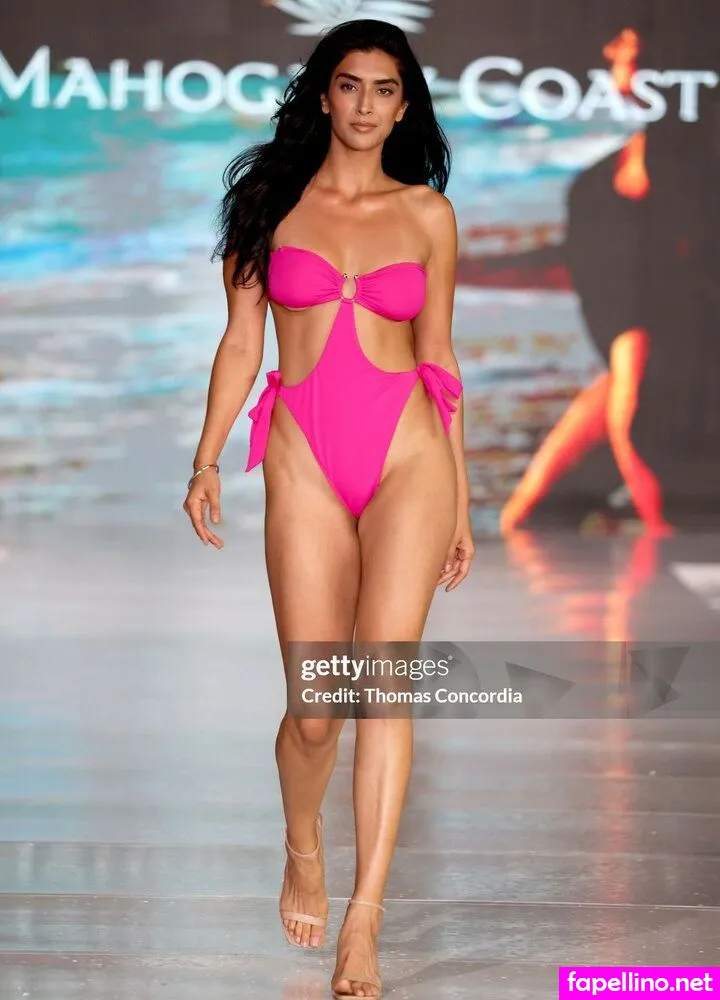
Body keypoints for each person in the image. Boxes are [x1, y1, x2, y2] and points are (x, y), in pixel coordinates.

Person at [183, 19, 474, 999]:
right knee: (316, 710)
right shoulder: (268, 204)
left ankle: (364, 922)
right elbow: (241, 341)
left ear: (404, 105)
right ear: (322, 94)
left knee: (381, 686)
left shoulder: (428, 214)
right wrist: (207, 457)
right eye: (349, 85)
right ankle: (302, 843)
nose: (364, 104)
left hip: (411, 457)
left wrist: (463, 500)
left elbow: (439, 357)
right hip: (304, 455)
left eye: (384, 89)